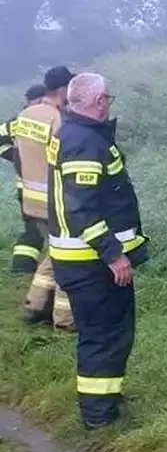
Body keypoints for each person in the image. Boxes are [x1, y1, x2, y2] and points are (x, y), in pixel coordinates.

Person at [49, 72, 149, 429]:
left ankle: (105, 400)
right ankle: (98, 419)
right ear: (98, 101)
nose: (109, 103)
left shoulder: (77, 135)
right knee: (102, 336)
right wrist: (113, 254)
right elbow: (82, 208)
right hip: (92, 263)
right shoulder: (85, 142)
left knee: (112, 332)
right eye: (108, 98)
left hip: (88, 261)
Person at [13, 66, 75, 330]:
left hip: (30, 199)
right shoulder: (58, 120)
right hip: (55, 201)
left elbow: (17, 157)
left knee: (52, 253)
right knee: (67, 256)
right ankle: (64, 319)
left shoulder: (26, 115)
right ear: (63, 89)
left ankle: (35, 305)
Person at [0, 84, 47, 274]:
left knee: (35, 228)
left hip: (30, 186)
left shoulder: (20, 121)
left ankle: (23, 267)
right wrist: (15, 156)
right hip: (36, 186)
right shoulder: (21, 121)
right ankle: (23, 268)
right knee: (37, 228)